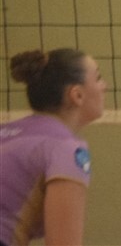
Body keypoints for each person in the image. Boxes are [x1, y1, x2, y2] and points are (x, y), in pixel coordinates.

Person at [0, 48, 108, 246]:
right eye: (98, 78)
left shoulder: (5, 131)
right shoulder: (67, 149)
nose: (105, 86)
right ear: (77, 95)